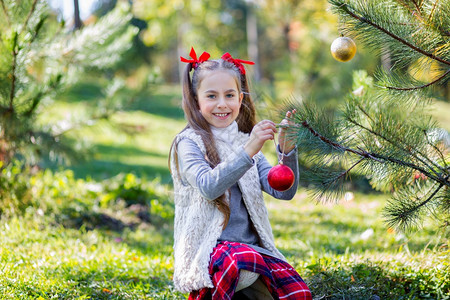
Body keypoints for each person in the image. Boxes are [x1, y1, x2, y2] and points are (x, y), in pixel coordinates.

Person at [169, 47, 312, 300]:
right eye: (211, 96)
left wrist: (286, 152)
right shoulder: (188, 143)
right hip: (209, 250)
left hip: (253, 250)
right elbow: (208, 186)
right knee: (240, 259)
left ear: (240, 98)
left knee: (298, 293)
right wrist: (249, 149)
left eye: (230, 95)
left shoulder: (245, 141)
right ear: (195, 99)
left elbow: (283, 191)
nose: (222, 104)